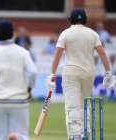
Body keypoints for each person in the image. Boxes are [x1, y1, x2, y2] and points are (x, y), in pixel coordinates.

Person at [46, 8, 116, 140]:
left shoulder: (65, 33)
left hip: (71, 73)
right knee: (85, 103)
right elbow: (102, 53)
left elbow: (58, 54)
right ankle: (85, 133)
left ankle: (75, 135)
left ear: (70, 20)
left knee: (73, 106)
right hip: (88, 73)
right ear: (85, 20)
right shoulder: (93, 34)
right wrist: (108, 73)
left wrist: (52, 74)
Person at [0, 20, 37, 140]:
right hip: (19, 101)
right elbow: (33, 72)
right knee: (22, 137)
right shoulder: (23, 53)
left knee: (0, 137)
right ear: (13, 34)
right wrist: (29, 90)